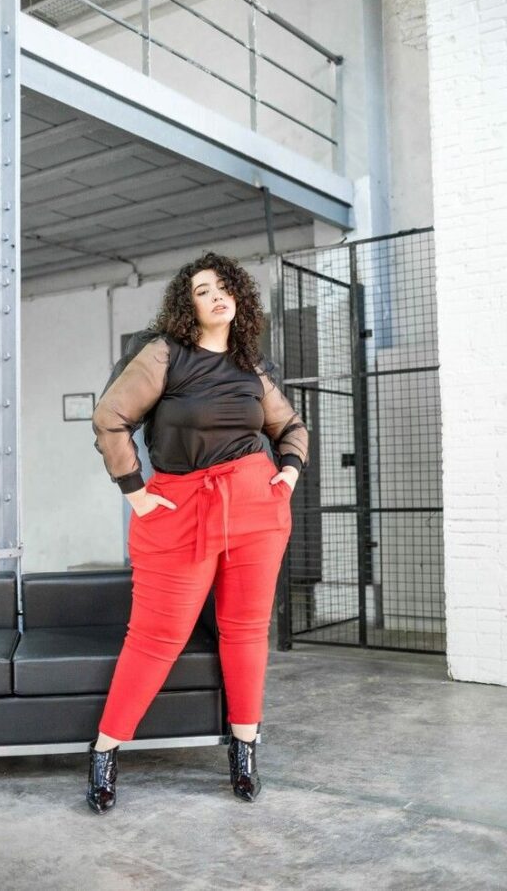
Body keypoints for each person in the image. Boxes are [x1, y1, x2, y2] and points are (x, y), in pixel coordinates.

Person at [87, 251, 309, 813]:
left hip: (255, 509)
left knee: (247, 630)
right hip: (180, 507)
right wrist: (135, 492)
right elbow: (110, 418)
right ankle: (106, 750)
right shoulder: (165, 353)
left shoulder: (250, 365)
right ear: (187, 306)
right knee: (156, 636)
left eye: (223, 287)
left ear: (238, 296)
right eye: (201, 290)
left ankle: (245, 748)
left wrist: (287, 474)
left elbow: (290, 425)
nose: (215, 296)